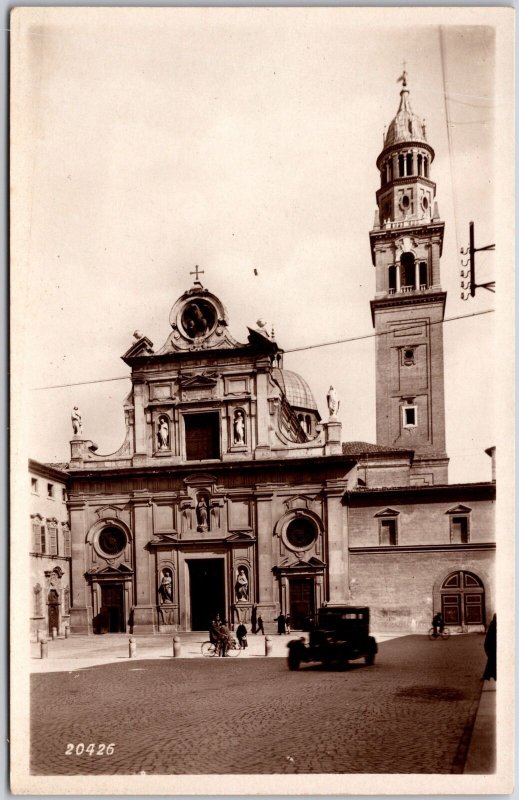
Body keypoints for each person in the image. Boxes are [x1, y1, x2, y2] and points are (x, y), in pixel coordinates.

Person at [483, 614, 496, 680]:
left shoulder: (492, 625)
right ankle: (488, 676)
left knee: (491, 661)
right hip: (492, 647)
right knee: (492, 660)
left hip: (491, 647)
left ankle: (487, 676)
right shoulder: (494, 626)